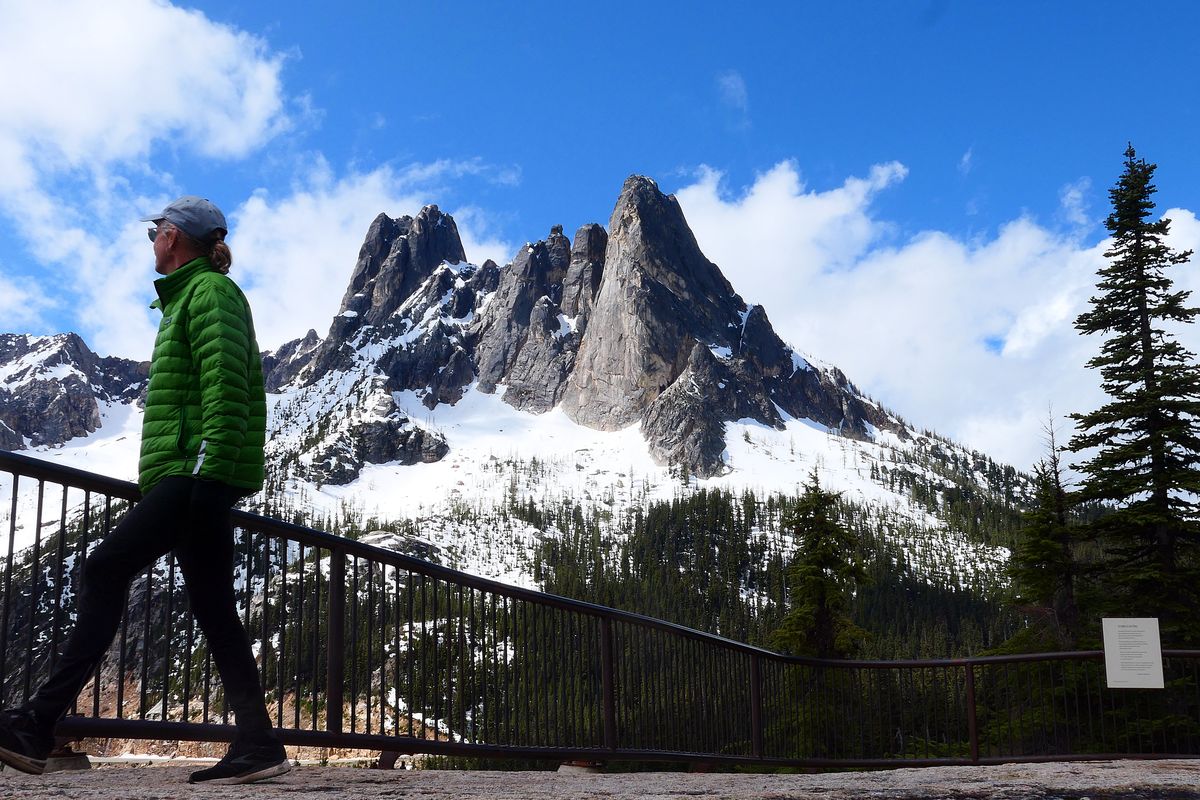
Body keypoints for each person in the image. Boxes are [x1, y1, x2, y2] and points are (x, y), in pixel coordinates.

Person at [0, 196, 289, 785]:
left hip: (192, 476)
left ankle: (36, 722)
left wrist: (207, 477)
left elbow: (227, 387)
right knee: (214, 611)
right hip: (188, 476)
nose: (150, 241)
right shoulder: (189, 298)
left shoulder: (210, 295)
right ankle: (258, 741)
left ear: (175, 237)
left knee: (104, 569)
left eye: (155, 232)